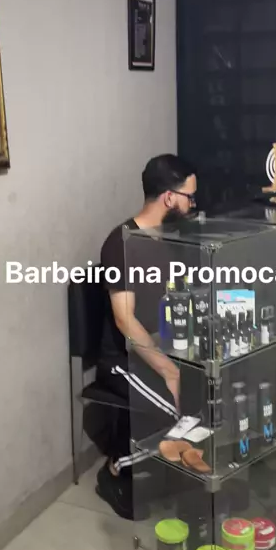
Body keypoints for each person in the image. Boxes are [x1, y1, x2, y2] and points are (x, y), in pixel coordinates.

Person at [91, 154, 197, 518]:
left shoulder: (167, 238)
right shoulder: (122, 243)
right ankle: (113, 471)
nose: (192, 205)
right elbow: (125, 320)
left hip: (159, 348)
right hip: (123, 358)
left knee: (204, 397)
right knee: (175, 410)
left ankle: (176, 467)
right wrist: (170, 371)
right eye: (188, 197)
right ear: (169, 197)